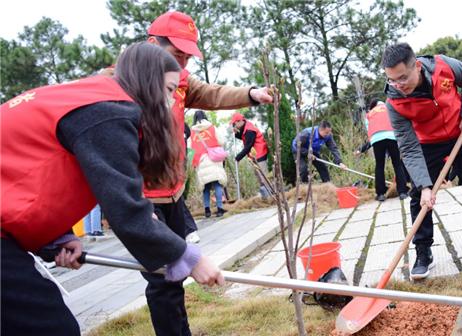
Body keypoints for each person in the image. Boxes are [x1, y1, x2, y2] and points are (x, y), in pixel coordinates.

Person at [1, 42, 224, 336]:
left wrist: (56, 238)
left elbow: (27, 174)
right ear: (147, 82)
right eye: (169, 90)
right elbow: (126, 211)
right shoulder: (107, 112)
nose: (171, 103)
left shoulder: (88, 101)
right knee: (52, 327)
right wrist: (187, 256)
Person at [100, 11, 273, 335]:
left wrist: (250, 94)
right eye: (176, 56)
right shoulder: (115, 85)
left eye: (186, 58)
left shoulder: (177, 77)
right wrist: (133, 207)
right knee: (163, 279)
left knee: (176, 275)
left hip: (173, 192)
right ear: (153, 44)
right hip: (142, 200)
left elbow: (211, 93)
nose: (182, 68)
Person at [382, 43, 462, 280]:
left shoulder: (444, 67)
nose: (398, 85)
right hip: (427, 142)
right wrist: (425, 185)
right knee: (419, 195)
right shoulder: (394, 102)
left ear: (417, 66)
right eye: (392, 80)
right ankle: (423, 252)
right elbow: (407, 145)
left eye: (403, 78)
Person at [355, 99, 410, 201]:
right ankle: (402, 192)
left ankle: (380, 194)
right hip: (392, 136)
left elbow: (371, 132)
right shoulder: (390, 108)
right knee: (397, 163)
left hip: (376, 139)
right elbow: (398, 124)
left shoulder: (370, 114)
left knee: (379, 165)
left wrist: (362, 149)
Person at [190, 110, 228, 217]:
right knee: (217, 184)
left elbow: (189, 147)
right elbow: (222, 140)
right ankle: (220, 209)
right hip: (213, 159)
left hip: (200, 161)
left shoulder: (193, 132)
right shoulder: (211, 127)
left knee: (205, 186)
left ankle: (207, 210)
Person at [230, 112, 271, 198]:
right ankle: (266, 196)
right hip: (254, 155)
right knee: (259, 177)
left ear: (239, 121)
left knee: (263, 177)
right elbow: (243, 137)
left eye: (234, 124)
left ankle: (271, 196)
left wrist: (238, 157)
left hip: (259, 153)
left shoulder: (249, 130)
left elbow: (248, 146)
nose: (234, 125)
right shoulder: (245, 127)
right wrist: (236, 133)